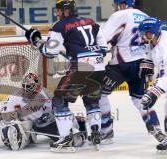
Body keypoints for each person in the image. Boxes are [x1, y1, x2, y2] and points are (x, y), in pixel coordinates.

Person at [25, 0, 108, 152]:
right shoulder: (91, 22)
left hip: (81, 68)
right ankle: (96, 133)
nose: (57, 14)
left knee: (59, 100)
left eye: (58, 10)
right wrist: (78, 50)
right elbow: (103, 49)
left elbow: (49, 52)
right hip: (99, 68)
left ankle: (65, 140)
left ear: (66, 11)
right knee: (91, 100)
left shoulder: (60, 25)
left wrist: (35, 40)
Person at [99, 0, 166, 144]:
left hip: (121, 64)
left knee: (99, 93)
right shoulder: (144, 15)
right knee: (140, 99)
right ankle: (157, 129)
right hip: (142, 63)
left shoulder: (119, 15)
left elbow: (103, 39)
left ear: (122, 4)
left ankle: (106, 129)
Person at [0, 73, 86, 151]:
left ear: (38, 86)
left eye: (30, 87)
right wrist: (10, 119)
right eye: (26, 87)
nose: (28, 91)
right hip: (29, 125)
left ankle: (77, 128)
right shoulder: (16, 95)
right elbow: (2, 107)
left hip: (48, 124)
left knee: (75, 141)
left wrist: (71, 123)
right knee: (13, 132)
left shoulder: (47, 94)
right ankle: (27, 136)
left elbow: (61, 111)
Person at [139, 17, 167, 151]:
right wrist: (146, 67)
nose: (143, 36)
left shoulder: (165, 43)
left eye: (146, 33)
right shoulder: (154, 42)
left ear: (153, 31)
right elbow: (150, 58)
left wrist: (156, 90)